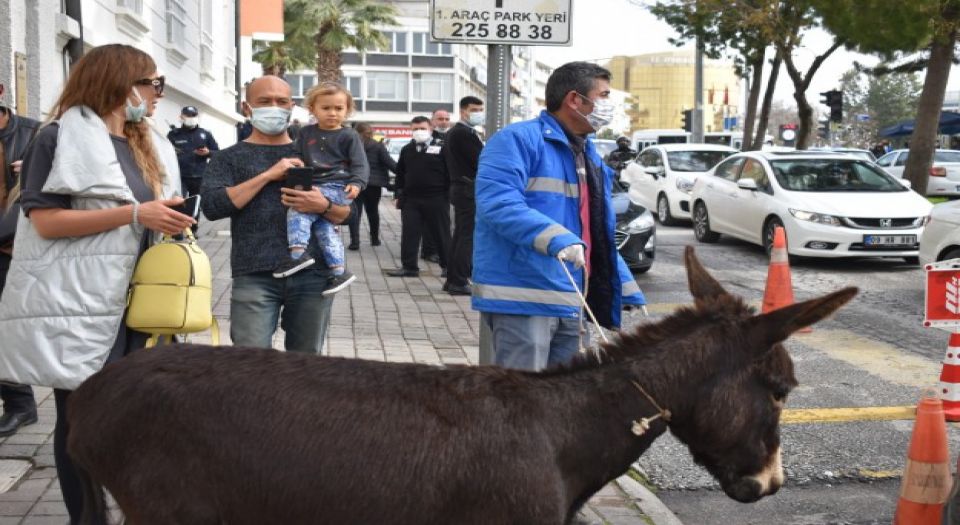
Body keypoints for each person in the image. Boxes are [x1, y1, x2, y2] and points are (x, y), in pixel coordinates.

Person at [0, 44, 194, 524]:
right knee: (82, 420)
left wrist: (172, 218)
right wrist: (134, 213)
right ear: (120, 83)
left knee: (140, 416)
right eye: (152, 83)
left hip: (143, 301)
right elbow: (44, 220)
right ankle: (86, 518)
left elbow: (151, 212)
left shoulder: (148, 140)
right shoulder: (57, 137)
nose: (157, 94)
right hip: (82, 303)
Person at [472, 61, 646, 371]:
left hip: (571, 296)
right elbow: (498, 203)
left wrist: (623, 284)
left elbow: (594, 229)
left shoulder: (587, 152)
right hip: (524, 295)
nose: (609, 105)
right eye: (604, 96)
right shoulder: (516, 140)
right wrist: (558, 240)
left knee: (562, 400)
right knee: (522, 399)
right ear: (575, 100)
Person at [200, 76, 352, 353]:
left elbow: (346, 215)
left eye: (281, 102)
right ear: (247, 108)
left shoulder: (316, 153)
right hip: (254, 274)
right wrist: (269, 175)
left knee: (305, 366)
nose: (274, 107)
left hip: (313, 274)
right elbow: (212, 207)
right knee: (249, 363)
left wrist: (324, 206)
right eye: (264, 101)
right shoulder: (228, 158)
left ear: (291, 107)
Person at [272, 82, 367, 297]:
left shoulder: (349, 136)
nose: (333, 113)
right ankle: (338, 270)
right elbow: (296, 153)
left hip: (336, 186)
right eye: (326, 108)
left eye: (339, 108)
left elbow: (360, 163)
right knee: (325, 229)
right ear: (312, 109)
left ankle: (297, 255)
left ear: (347, 110)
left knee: (298, 210)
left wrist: (357, 183)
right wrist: (294, 162)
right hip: (313, 183)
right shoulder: (306, 133)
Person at [0, 83, 39, 438]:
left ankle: (20, 404)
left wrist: (34, 168)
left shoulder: (33, 133)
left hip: (11, 245)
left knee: (7, 327)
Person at [385, 116, 451, 277]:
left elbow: (451, 172)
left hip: (436, 197)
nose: (418, 132)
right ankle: (409, 267)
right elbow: (401, 173)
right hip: (412, 199)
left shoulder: (442, 147)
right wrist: (398, 194)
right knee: (410, 233)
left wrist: (448, 194)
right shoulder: (407, 149)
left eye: (422, 128)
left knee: (441, 233)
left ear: (430, 128)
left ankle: (448, 267)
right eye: (415, 129)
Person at [441, 96, 484, 296]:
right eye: (474, 109)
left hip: (460, 188)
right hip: (467, 188)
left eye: (480, 109)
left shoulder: (455, 132)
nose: (478, 113)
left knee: (460, 235)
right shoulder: (463, 134)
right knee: (466, 236)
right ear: (463, 111)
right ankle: (459, 280)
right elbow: (480, 161)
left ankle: (453, 278)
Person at [348, 122, 396, 249]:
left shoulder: (352, 146)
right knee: (373, 211)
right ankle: (375, 239)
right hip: (374, 185)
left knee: (355, 212)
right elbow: (389, 163)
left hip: (356, 183)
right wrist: (404, 173)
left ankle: (355, 242)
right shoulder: (378, 146)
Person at [420, 108, 452, 264]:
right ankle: (429, 251)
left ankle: (440, 250)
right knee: (431, 222)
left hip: (448, 185)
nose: (444, 122)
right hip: (431, 186)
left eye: (446, 119)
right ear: (432, 121)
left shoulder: (453, 136)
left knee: (443, 221)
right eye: (440, 119)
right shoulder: (427, 138)